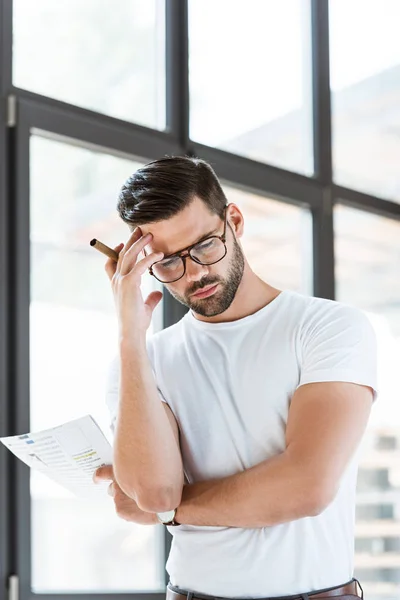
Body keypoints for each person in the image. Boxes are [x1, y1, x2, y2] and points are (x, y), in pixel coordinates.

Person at [93, 156, 377, 600]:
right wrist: (131, 335)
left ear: (235, 220)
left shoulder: (327, 327)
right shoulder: (144, 361)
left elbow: (307, 486)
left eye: (205, 246)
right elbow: (154, 490)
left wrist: (168, 512)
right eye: (168, 263)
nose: (195, 273)